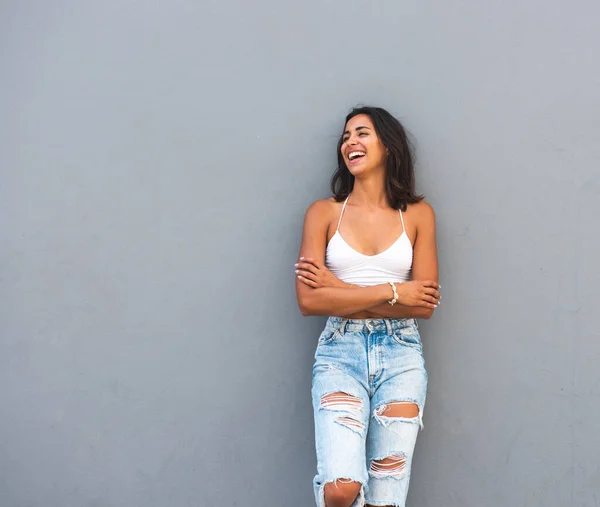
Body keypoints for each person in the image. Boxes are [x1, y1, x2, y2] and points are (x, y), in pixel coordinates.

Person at [295, 106, 440, 507]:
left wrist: (338, 290)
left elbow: (423, 303)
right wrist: (395, 293)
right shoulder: (323, 213)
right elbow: (309, 300)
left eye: (362, 133)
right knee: (341, 489)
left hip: (402, 356)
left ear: (388, 146)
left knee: (387, 498)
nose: (350, 143)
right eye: (345, 137)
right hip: (339, 352)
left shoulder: (418, 215)